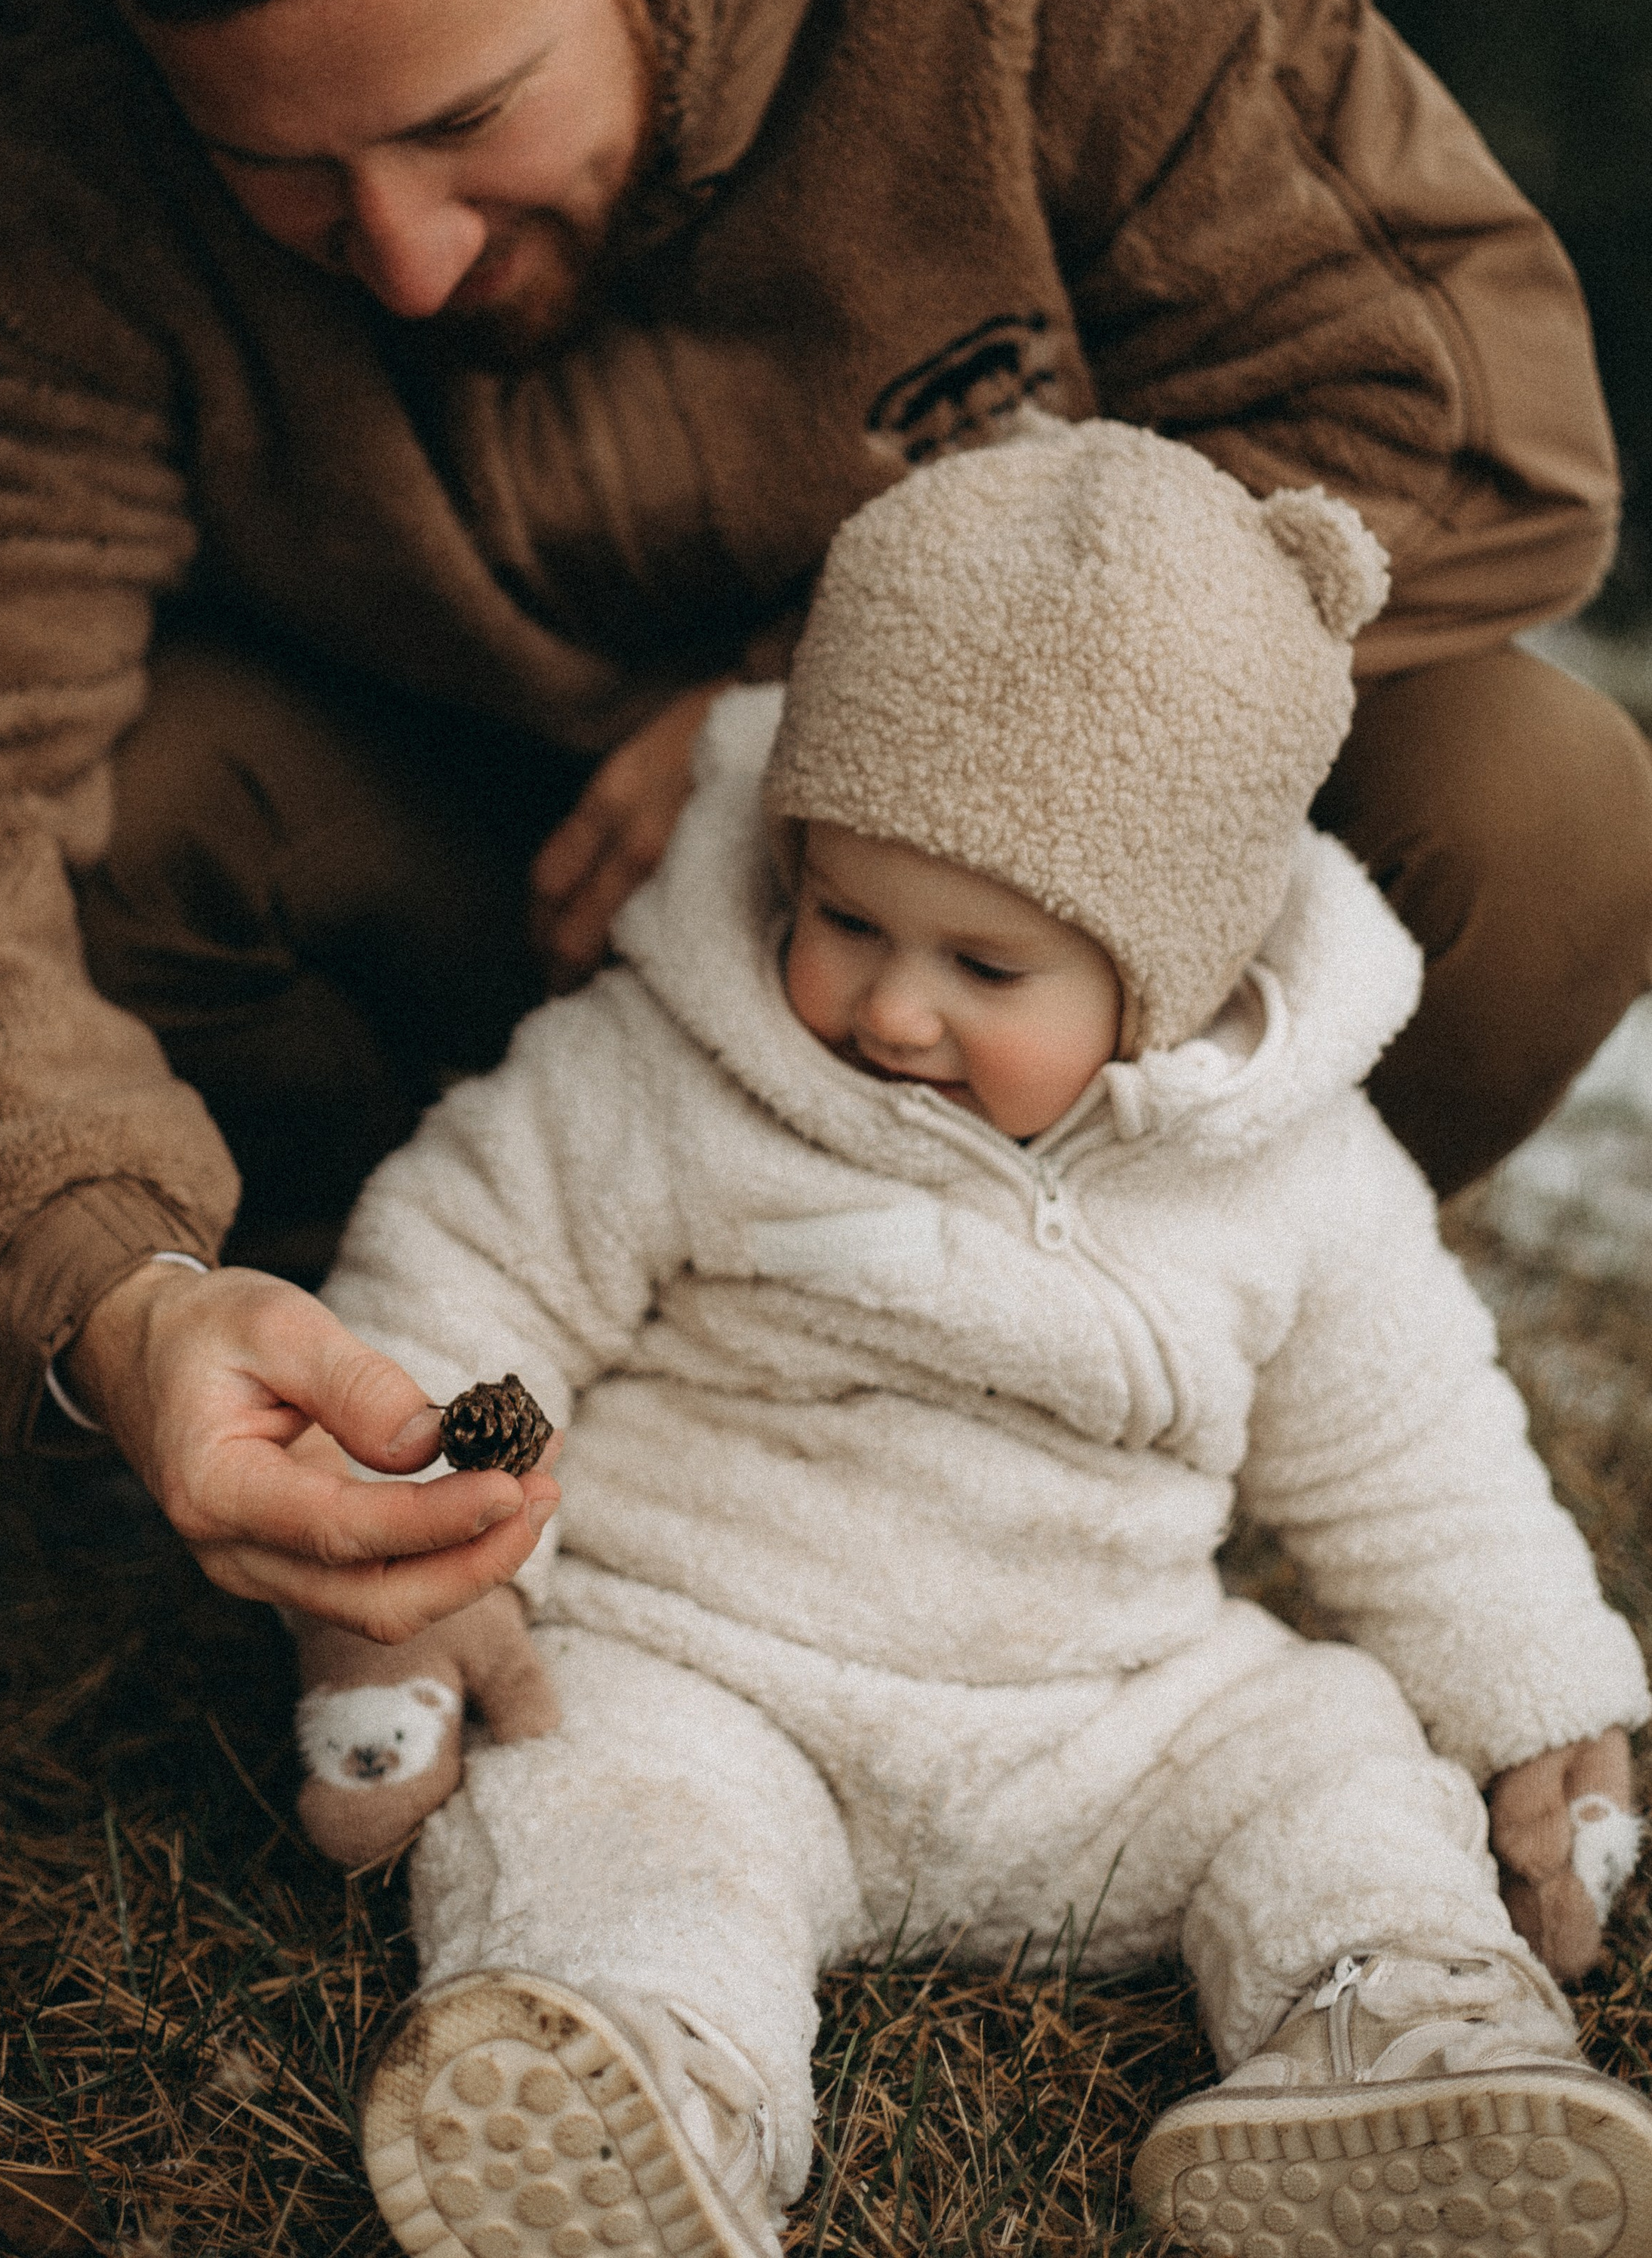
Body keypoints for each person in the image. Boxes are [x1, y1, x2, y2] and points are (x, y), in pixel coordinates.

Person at [0, 0, 1649, 1633]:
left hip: (993, 921)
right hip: (453, 909)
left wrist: (798, 705)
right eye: (281, 175)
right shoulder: (34, 105)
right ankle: (408, 1422)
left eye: (466, 119)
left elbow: (1462, 434)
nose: (409, 260)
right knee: (94, 819)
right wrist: (118, 1296)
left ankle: (1085, 1404)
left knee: (1534, 811)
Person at [300, 421, 1652, 2258]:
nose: (887, 1008)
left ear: (1165, 969)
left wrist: (1536, 1698)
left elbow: (1413, 1452)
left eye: (985, 969)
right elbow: (470, 1280)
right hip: (714, 1665)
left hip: (1110, 1716)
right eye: (843, 917)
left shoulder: (1291, 1170)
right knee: (605, 1806)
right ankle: (649, 2071)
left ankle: (1389, 2033)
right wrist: (414, 1541)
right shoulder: (669, 1068)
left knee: (1330, 1751)